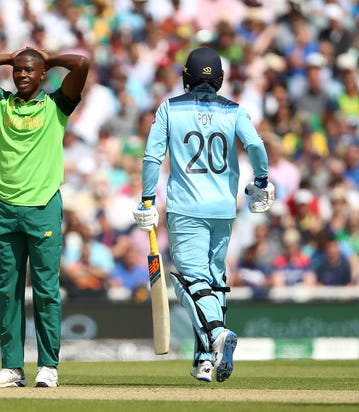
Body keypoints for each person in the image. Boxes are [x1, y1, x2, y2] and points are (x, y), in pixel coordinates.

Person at [132, 47, 275, 384]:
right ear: (221, 79)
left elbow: (152, 158)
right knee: (213, 282)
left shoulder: (169, 107)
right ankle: (204, 361)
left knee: (186, 279)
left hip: (186, 208)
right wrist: (262, 181)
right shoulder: (235, 110)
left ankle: (217, 335)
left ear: (185, 77)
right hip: (224, 209)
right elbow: (255, 145)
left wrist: (147, 200)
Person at [0, 47, 89, 388]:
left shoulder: (57, 104)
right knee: (7, 291)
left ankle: (48, 367)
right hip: (5, 208)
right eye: (18, 70)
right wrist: (7, 56)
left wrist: (46, 58)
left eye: (30, 70)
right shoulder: (0, 102)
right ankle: (12, 367)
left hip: (43, 207)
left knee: (45, 290)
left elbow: (82, 64)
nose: (22, 74)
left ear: (43, 74)